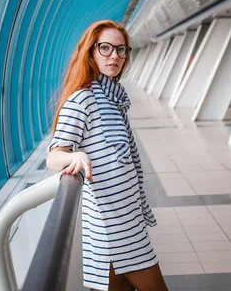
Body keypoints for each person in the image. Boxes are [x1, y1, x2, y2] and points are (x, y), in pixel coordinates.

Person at [47, 20, 167, 291]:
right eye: (106, 48)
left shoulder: (114, 99)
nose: (115, 55)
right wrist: (73, 158)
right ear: (90, 52)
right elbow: (54, 156)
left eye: (121, 50)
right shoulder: (82, 100)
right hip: (111, 224)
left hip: (127, 217)